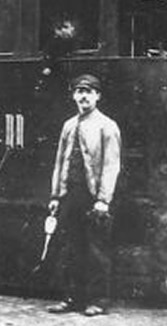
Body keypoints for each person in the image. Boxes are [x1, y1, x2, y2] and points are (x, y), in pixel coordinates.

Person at [47, 74, 121, 316]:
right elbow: (59, 162)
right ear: (73, 95)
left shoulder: (107, 126)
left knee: (96, 251)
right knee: (70, 248)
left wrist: (103, 200)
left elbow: (111, 166)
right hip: (71, 196)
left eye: (89, 91)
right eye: (79, 91)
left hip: (94, 199)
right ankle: (71, 298)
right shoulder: (68, 126)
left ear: (98, 96)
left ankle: (98, 301)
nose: (83, 95)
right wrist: (56, 196)